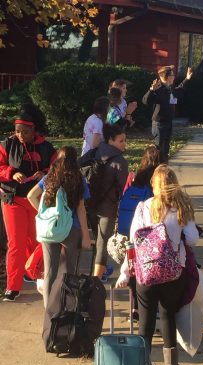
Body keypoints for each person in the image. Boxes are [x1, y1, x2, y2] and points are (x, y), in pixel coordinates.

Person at [116, 164, 199, 365]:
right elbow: (192, 239)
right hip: (173, 272)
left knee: (145, 323)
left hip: (147, 273)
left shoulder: (143, 207)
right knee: (168, 316)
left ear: (154, 185)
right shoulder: (181, 207)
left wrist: (125, 272)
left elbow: (134, 243)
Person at [0, 106, 57, 302]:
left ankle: (32, 272)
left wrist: (46, 173)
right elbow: (0, 166)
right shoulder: (7, 145)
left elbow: (57, 167)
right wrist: (10, 172)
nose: (21, 135)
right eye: (17, 131)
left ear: (34, 131)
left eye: (25, 131)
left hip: (36, 201)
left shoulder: (47, 147)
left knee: (35, 241)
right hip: (13, 199)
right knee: (16, 242)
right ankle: (12, 287)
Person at [27, 146, 91, 307]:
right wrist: (86, 235)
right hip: (72, 228)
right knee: (70, 272)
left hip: (51, 229)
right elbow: (81, 209)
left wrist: (45, 214)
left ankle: (49, 313)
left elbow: (31, 195)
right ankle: (68, 309)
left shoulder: (49, 177)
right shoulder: (78, 178)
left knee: (50, 273)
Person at [118, 144, 160, 322]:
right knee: (152, 271)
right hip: (150, 235)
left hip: (130, 233)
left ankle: (135, 308)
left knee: (133, 270)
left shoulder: (135, 178)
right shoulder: (158, 181)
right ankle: (153, 308)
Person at [81, 123, 128, 282]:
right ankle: (95, 280)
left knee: (97, 238)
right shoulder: (120, 161)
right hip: (108, 207)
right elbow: (122, 188)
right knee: (103, 243)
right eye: (121, 141)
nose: (124, 144)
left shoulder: (94, 152)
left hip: (90, 203)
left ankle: (93, 276)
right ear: (110, 140)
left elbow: (78, 165)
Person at [142, 65, 193, 163]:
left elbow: (179, 90)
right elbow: (145, 101)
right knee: (158, 148)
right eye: (172, 75)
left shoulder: (169, 88)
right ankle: (155, 168)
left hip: (168, 122)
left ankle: (164, 166)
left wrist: (187, 79)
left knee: (166, 148)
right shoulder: (158, 88)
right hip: (159, 124)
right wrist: (151, 90)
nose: (174, 77)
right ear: (166, 77)